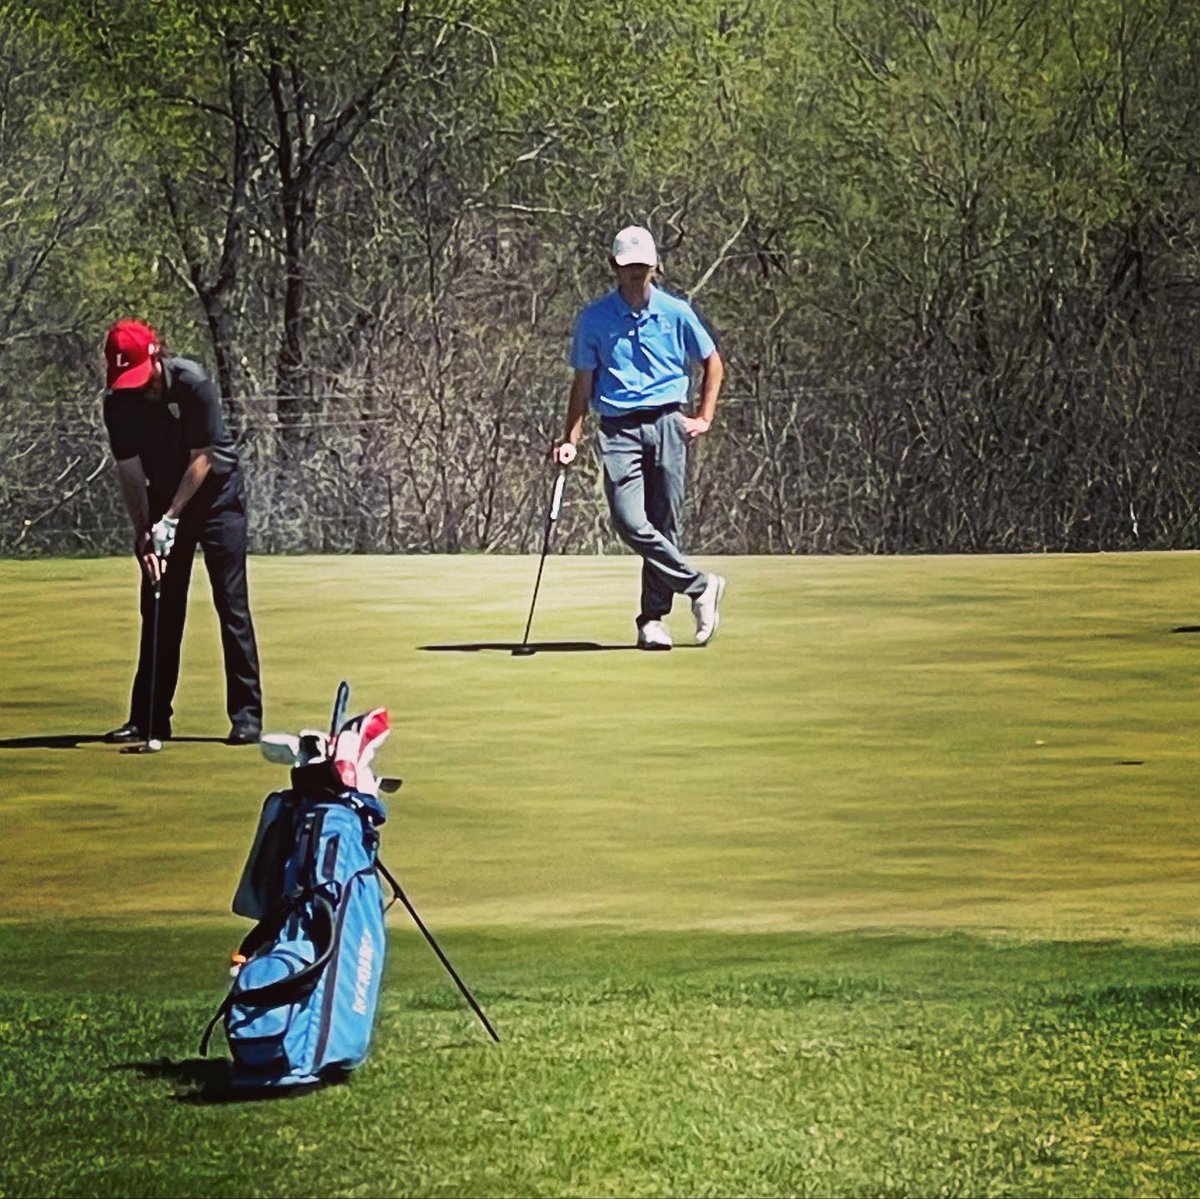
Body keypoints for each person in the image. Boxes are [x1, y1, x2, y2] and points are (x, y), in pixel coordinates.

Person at [553, 225, 726, 649]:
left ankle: (652, 621)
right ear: (614, 266)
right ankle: (701, 586)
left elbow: (712, 363)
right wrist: (569, 438)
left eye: (643, 266)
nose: (636, 274)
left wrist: (704, 417)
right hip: (619, 428)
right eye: (628, 266)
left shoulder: (676, 311)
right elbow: (582, 384)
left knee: (665, 524)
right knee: (630, 521)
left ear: (655, 267)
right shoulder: (594, 319)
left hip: (668, 422)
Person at [100, 318, 264, 745]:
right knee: (158, 609)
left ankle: (246, 715)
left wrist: (170, 518)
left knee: (231, 606)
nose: (132, 386)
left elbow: (203, 455)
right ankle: (149, 717)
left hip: (217, 500)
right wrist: (143, 534)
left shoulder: (193, 383)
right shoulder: (118, 403)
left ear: (156, 354)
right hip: (162, 499)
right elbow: (129, 470)